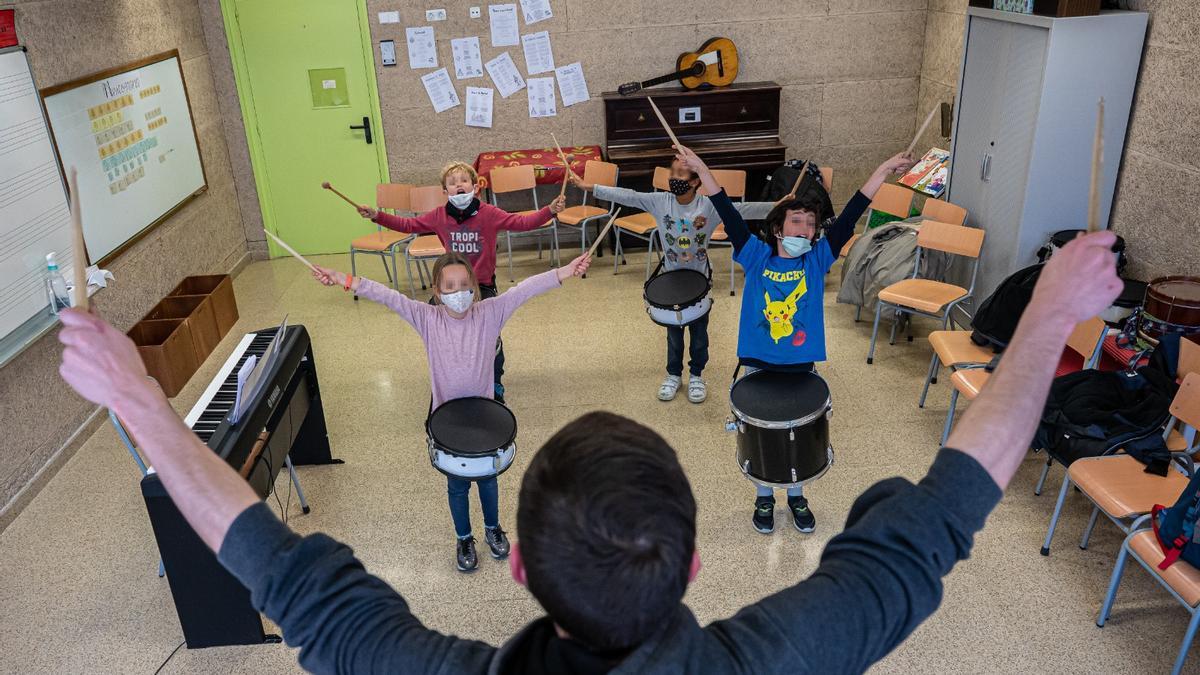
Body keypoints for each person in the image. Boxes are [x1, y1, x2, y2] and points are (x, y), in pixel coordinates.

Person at [56, 229, 1121, 673]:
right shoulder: (789, 653)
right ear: (697, 564)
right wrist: (1050, 317)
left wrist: (142, 402)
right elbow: (943, 509)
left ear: (518, 570)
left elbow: (279, 567)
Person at [675, 145, 915, 535]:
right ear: (777, 228)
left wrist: (884, 168)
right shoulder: (755, 255)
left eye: (810, 224)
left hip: (801, 367)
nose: (804, 229)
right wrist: (701, 168)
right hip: (756, 365)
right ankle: (764, 497)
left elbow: (854, 211)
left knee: (798, 435)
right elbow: (727, 210)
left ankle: (798, 495)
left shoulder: (816, 260)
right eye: (796, 221)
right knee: (759, 438)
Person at [309, 251, 590, 571]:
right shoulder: (427, 318)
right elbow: (387, 296)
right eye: (450, 286)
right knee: (456, 485)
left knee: (488, 479)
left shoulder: (490, 312)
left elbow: (525, 289)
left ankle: (492, 528)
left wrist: (565, 271)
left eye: (464, 284)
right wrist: (344, 279)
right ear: (437, 290)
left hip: (485, 418)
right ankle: (464, 536)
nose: (459, 293)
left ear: (474, 285)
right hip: (447, 422)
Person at [359, 162, 569, 403]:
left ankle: (495, 382)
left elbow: (522, 223)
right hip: (450, 288)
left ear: (475, 186)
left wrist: (550, 210)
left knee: (491, 338)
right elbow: (408, 226)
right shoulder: (439, 216)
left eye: (464, 180)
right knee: (440, 332)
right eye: (452, 182)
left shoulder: (489, 213)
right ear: (445, 191)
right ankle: (448, 378)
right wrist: (377, 215)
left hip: (482, 287)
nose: (458, 184)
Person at [567, 162, 774, 404]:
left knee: (699, 334)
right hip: (671, 277)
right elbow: (628, 196)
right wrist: (588, 187)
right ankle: (673, 374)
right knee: (673, 333)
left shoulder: (709, 206)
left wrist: (779, 207)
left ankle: (697, 374)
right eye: (672, 172)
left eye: (680, 173)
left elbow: (743, 209)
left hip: (699, 281)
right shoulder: (660, 202)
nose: (673, 177)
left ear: (696, 181)